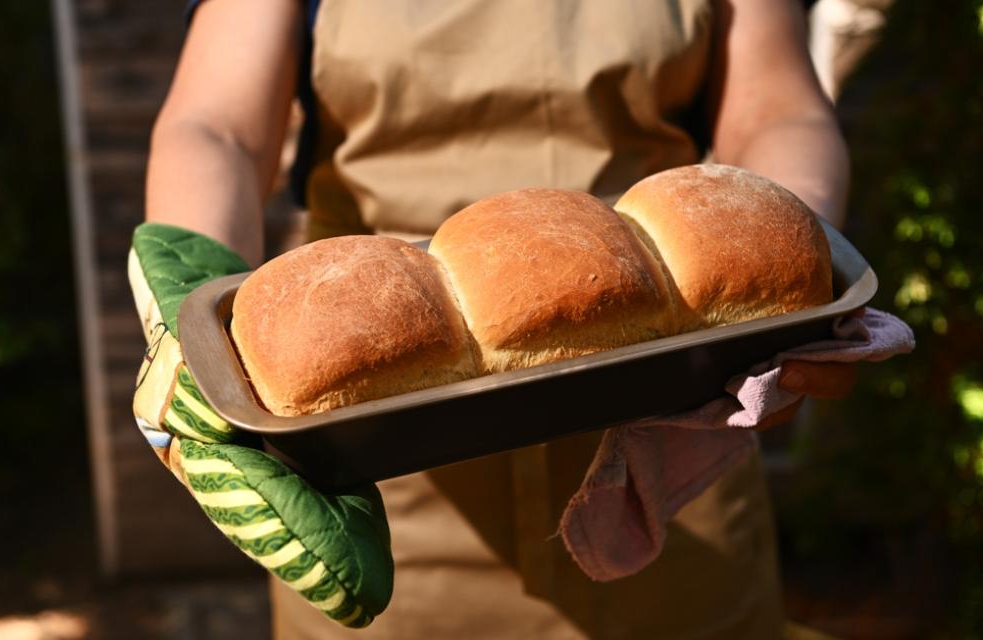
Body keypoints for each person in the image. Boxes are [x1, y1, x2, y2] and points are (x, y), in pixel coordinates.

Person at [145, 1, 856, 637]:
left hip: (670, 461)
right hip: (382, 479)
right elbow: (218, 127)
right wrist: (192, 309)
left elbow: (779, 114)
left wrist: (797, 280)